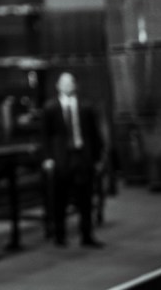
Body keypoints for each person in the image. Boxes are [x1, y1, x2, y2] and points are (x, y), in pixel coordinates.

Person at [41, 71, 105, 248]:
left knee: (85, 198)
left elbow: (94, 134)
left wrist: (98, 158)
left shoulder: (86, 106)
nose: (68, 86)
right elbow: (45, 136)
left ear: (75, 85)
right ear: (58, 86)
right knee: (59, 198)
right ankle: (59, 235)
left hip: (82, 156)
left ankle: (87, 234)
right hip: (62, 158)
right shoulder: (50, 108)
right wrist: (47, 158)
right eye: (64, 83)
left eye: (70, 83)